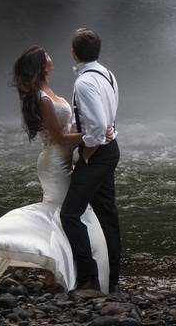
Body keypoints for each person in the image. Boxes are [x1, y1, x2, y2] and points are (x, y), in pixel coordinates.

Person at [0, 46, 113, 293]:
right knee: (68, 213)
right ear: (41, 66)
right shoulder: (42, 98)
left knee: (64, 214)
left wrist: (88, 136)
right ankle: (57, 272)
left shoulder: (48, 91)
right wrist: (96, 135)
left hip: (63, 159)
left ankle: (52, 274)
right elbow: (61, 138)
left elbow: (66, 131)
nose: (51, 57)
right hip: (54, 161)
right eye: (46, 56)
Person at [60, 28, 121, 296]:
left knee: (70, 214)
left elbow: (96, 126)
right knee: (107, 216)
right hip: (110, 148)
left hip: (96, 154)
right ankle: (113, 281)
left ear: (74, 53)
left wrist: (82, 144)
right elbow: (107, 118)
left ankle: (90, 280)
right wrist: (105, 132)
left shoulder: (84, 82)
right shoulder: (107, 73)